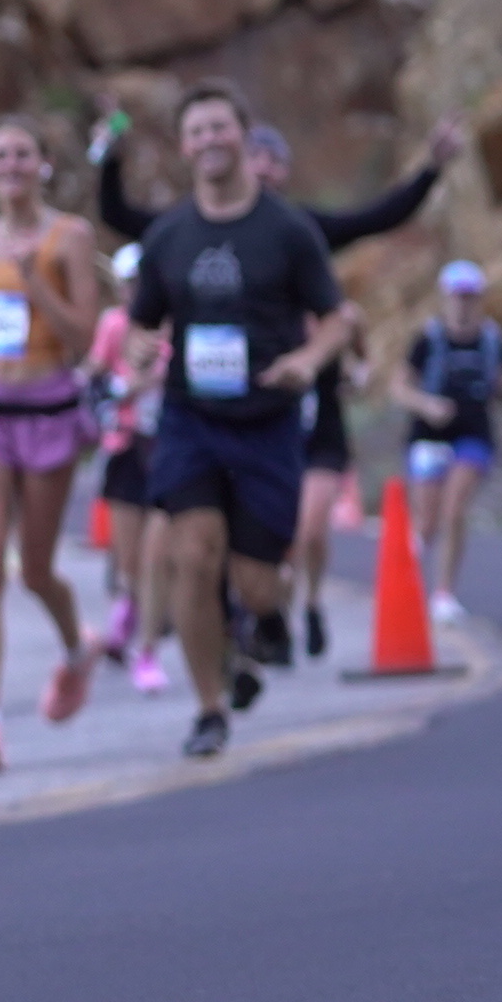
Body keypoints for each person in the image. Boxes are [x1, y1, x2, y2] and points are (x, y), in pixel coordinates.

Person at [99, 112, 462, 663]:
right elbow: (122, 218)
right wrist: (109, 158)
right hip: (200, 412)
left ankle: (278, 610)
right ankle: (220, 649)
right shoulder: (185, 228)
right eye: (258, 158)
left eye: (274, 160)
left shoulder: (297, 231)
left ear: (283, 171)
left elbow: (376, 217)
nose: (264, 168)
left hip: (282, 407)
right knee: (198, 540)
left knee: (276, 545)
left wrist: (430, 170)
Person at [122, 83, 355, 762]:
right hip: (191, 418)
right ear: (183, 145)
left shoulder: (288, 230)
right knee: (193, 555)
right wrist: (139, 348)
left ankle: (265, 621)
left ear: (244, 135)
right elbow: (141, 323)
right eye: (197, 131)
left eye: (219, 127)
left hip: (267, 422)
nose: (209, 141)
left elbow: (337, 319)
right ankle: (208, 708)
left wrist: (307, 360)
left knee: (255, 581)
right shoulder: (168, 236)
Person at [0, 117, 108, 771]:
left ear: (43, 165)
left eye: (22, 154)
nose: (11, 164)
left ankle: (77, 649)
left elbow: (85, 341)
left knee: (35, 569)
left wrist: (36, 284)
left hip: (47, 411)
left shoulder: (69, 237)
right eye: (0, 155)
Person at [389, 260, 502, 624]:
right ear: (446, 298)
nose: (463, 304)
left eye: (470, 297)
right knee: (427, 522)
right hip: (429, 435)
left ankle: (444, 593)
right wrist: (426, 405)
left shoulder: (492, 340)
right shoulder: (428, 339)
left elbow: (501, 385)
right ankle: (406, 585)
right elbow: (399, 386)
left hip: (473, 433)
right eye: (458, 296)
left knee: (455, 509)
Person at [85, 245, 173, 696]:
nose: (135, 291)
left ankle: (147, 649)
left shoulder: (174, 323)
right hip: (125, 447)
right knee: (130, 556)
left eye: (141, 282)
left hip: (168, 449)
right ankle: (126, 613)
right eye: (128, 284)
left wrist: (142, 382)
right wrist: (111, 392)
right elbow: (94, 374)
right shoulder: (113, 325)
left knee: (158, 555)